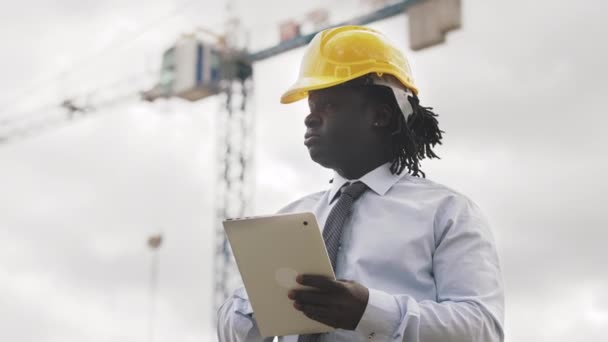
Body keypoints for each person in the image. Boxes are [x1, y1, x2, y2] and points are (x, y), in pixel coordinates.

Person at [217, 25, 504, 342]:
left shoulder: (447, 213)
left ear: (380, 116)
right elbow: (232, 333)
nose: (310, 118)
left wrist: (368, 311)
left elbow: (481, 329)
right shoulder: (288, 219)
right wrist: (253, 307)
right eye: (311, 107)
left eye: (328, 105)